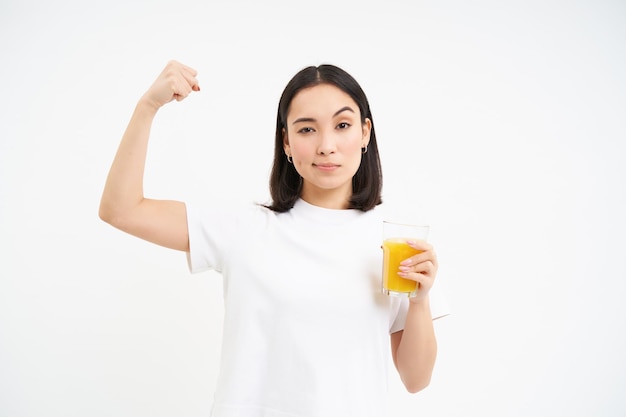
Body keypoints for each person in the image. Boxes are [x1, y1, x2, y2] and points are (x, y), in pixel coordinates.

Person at [99, 60, 448, 417]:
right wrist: (148, 106)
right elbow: (121, 210)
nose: (326, 145)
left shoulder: (396, 243)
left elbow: (416, 379)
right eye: (307, 129)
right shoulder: (244, 227)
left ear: (364, 133)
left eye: (342, 125)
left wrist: (420, 301)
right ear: (286, 142)